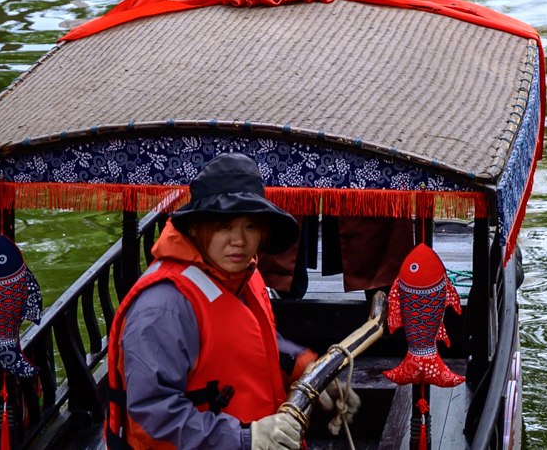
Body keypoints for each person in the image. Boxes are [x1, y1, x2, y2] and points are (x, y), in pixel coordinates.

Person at [105, 155, 360, 450]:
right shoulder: (163, 308)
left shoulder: (241, 272)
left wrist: (311, 370)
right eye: (224, 226)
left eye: (251, 226)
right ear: (194, 228)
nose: (239, 241)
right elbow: (153, 419)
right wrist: (246, 439)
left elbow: (255, 340)